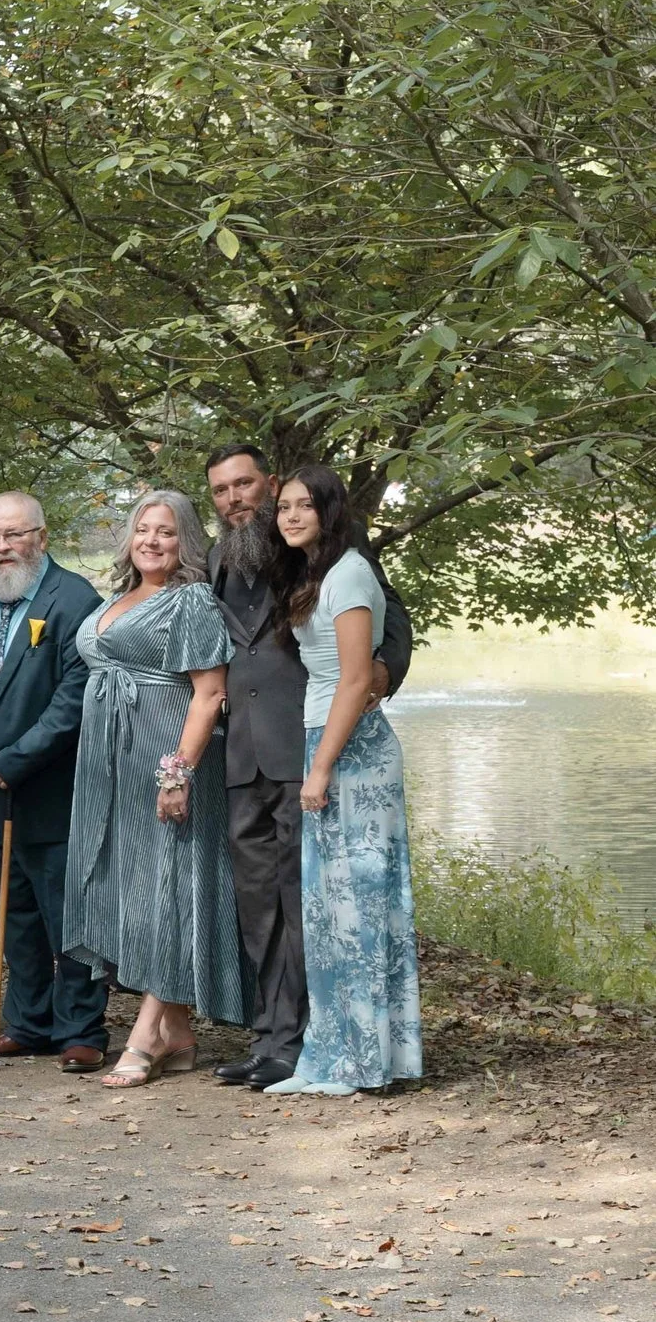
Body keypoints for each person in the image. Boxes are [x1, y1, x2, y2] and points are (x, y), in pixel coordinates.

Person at [204, 444, 414, 1090]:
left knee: (309, 903)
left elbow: (393, 619)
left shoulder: (323, 549)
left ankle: (307, 1042)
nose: (235, 497)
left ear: (268, 484)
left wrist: (381, 675)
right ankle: (269, 1035)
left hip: (309, 747)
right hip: (242, 752)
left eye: (245, 484)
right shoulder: (215, 557)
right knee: (259, 903)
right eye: (220, 490)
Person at [60, 491, 245, 1087]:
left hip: (166, 757)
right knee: (138, 894)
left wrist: (178, 772)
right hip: (111, 762)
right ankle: (179, 1034)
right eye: (143, 529)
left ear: (186, 540)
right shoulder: (119, 598)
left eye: (166, 532)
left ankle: (144, 1039)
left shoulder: (190, 601)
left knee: (170, 891)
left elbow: (210, 694)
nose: (152, 541)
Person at [266, 464, 421, 1096]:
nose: (292, 516)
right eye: (284, 507)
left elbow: (357, 679)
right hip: (324, 743)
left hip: (352, 753)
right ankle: (339, 1053)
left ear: (332, 513)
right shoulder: (317, 576)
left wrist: (323, 765)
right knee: (331, 913)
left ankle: (368, 1060)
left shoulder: (352, 574)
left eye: (306, 506)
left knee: (360, 911)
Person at [0, 491, 108, 1072]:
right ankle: (28, 1022)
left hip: (51, 788)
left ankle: (81, 1030)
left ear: (41, 535)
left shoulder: (75, 598)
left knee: (69, 915)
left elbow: (75, 698)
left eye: (14, 535)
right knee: (15, 915)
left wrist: (16, 759)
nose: (2, 547)